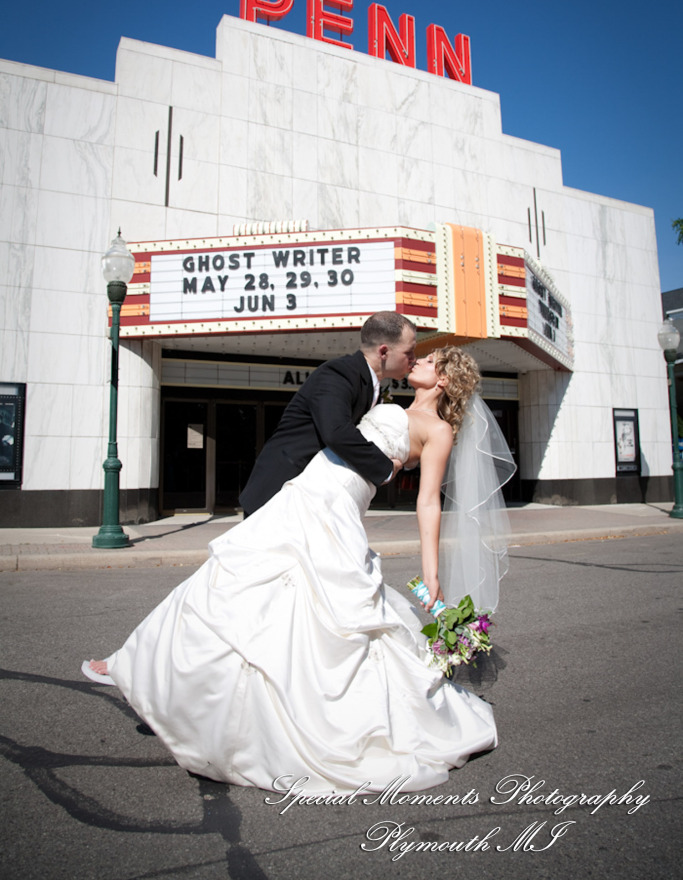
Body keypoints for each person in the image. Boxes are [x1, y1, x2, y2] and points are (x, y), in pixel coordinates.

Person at [82, 347, 514, 794]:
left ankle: (303, 718)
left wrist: (431, 572)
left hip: (338, 507)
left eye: (431, 360)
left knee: (329, 615)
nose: (419, 360)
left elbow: (428, 501)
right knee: (230, 577)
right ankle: (138, 665)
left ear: (443, 380)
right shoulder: (384, 402)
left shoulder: (438, 430)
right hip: (302, 491)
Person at [239, 310, 417, 515]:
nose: (413, 359)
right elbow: (337, 431)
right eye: (408, 352)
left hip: (313, 499)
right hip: (279, 494)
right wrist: (384, 468)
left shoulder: (367, 383)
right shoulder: (339, 373)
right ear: (384, 352)